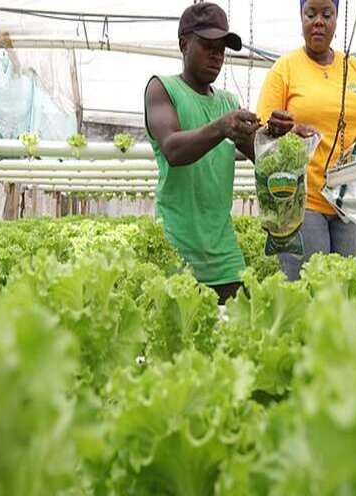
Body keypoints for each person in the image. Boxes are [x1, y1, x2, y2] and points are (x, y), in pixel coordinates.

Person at [144, 2, 260, 305]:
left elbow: (261, 154)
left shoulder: (228, 102)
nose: (217, 56)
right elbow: (173, 149)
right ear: (184, 44)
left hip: (224, 254)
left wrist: (279, 135)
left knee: (237, 339)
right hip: (176, 249)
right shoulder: (162, 89)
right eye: (208, 46)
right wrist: (222, 127)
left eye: (221, 49)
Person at [257, 0, 356, 280]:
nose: (318, 21)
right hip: (303, 201)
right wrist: (287, 130)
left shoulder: (355, 69)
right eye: (310, 14)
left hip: (350, 203)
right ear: (301, 18)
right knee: (309, 291)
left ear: (336, 20)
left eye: (327, 14)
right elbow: (262, 131)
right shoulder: (285, 69)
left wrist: (355, 159)